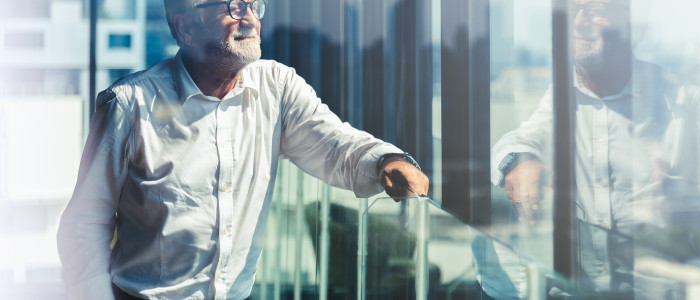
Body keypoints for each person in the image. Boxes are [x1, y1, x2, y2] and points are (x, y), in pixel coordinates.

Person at [56, 0, 429, 299]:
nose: (249, 18)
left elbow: (334, 144)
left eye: (253, 5)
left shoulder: (278, 87)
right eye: (232, 8)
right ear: (185, 26)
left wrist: (387, 160)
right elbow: (85, 225)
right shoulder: (128, 103)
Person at [483, 0, 698, 296]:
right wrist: (519, 162)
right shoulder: (561, 92)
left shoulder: (683, 102)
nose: (578, 21)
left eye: (595, 9)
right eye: (572, 9)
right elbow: (519, 140)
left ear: (632, 24)